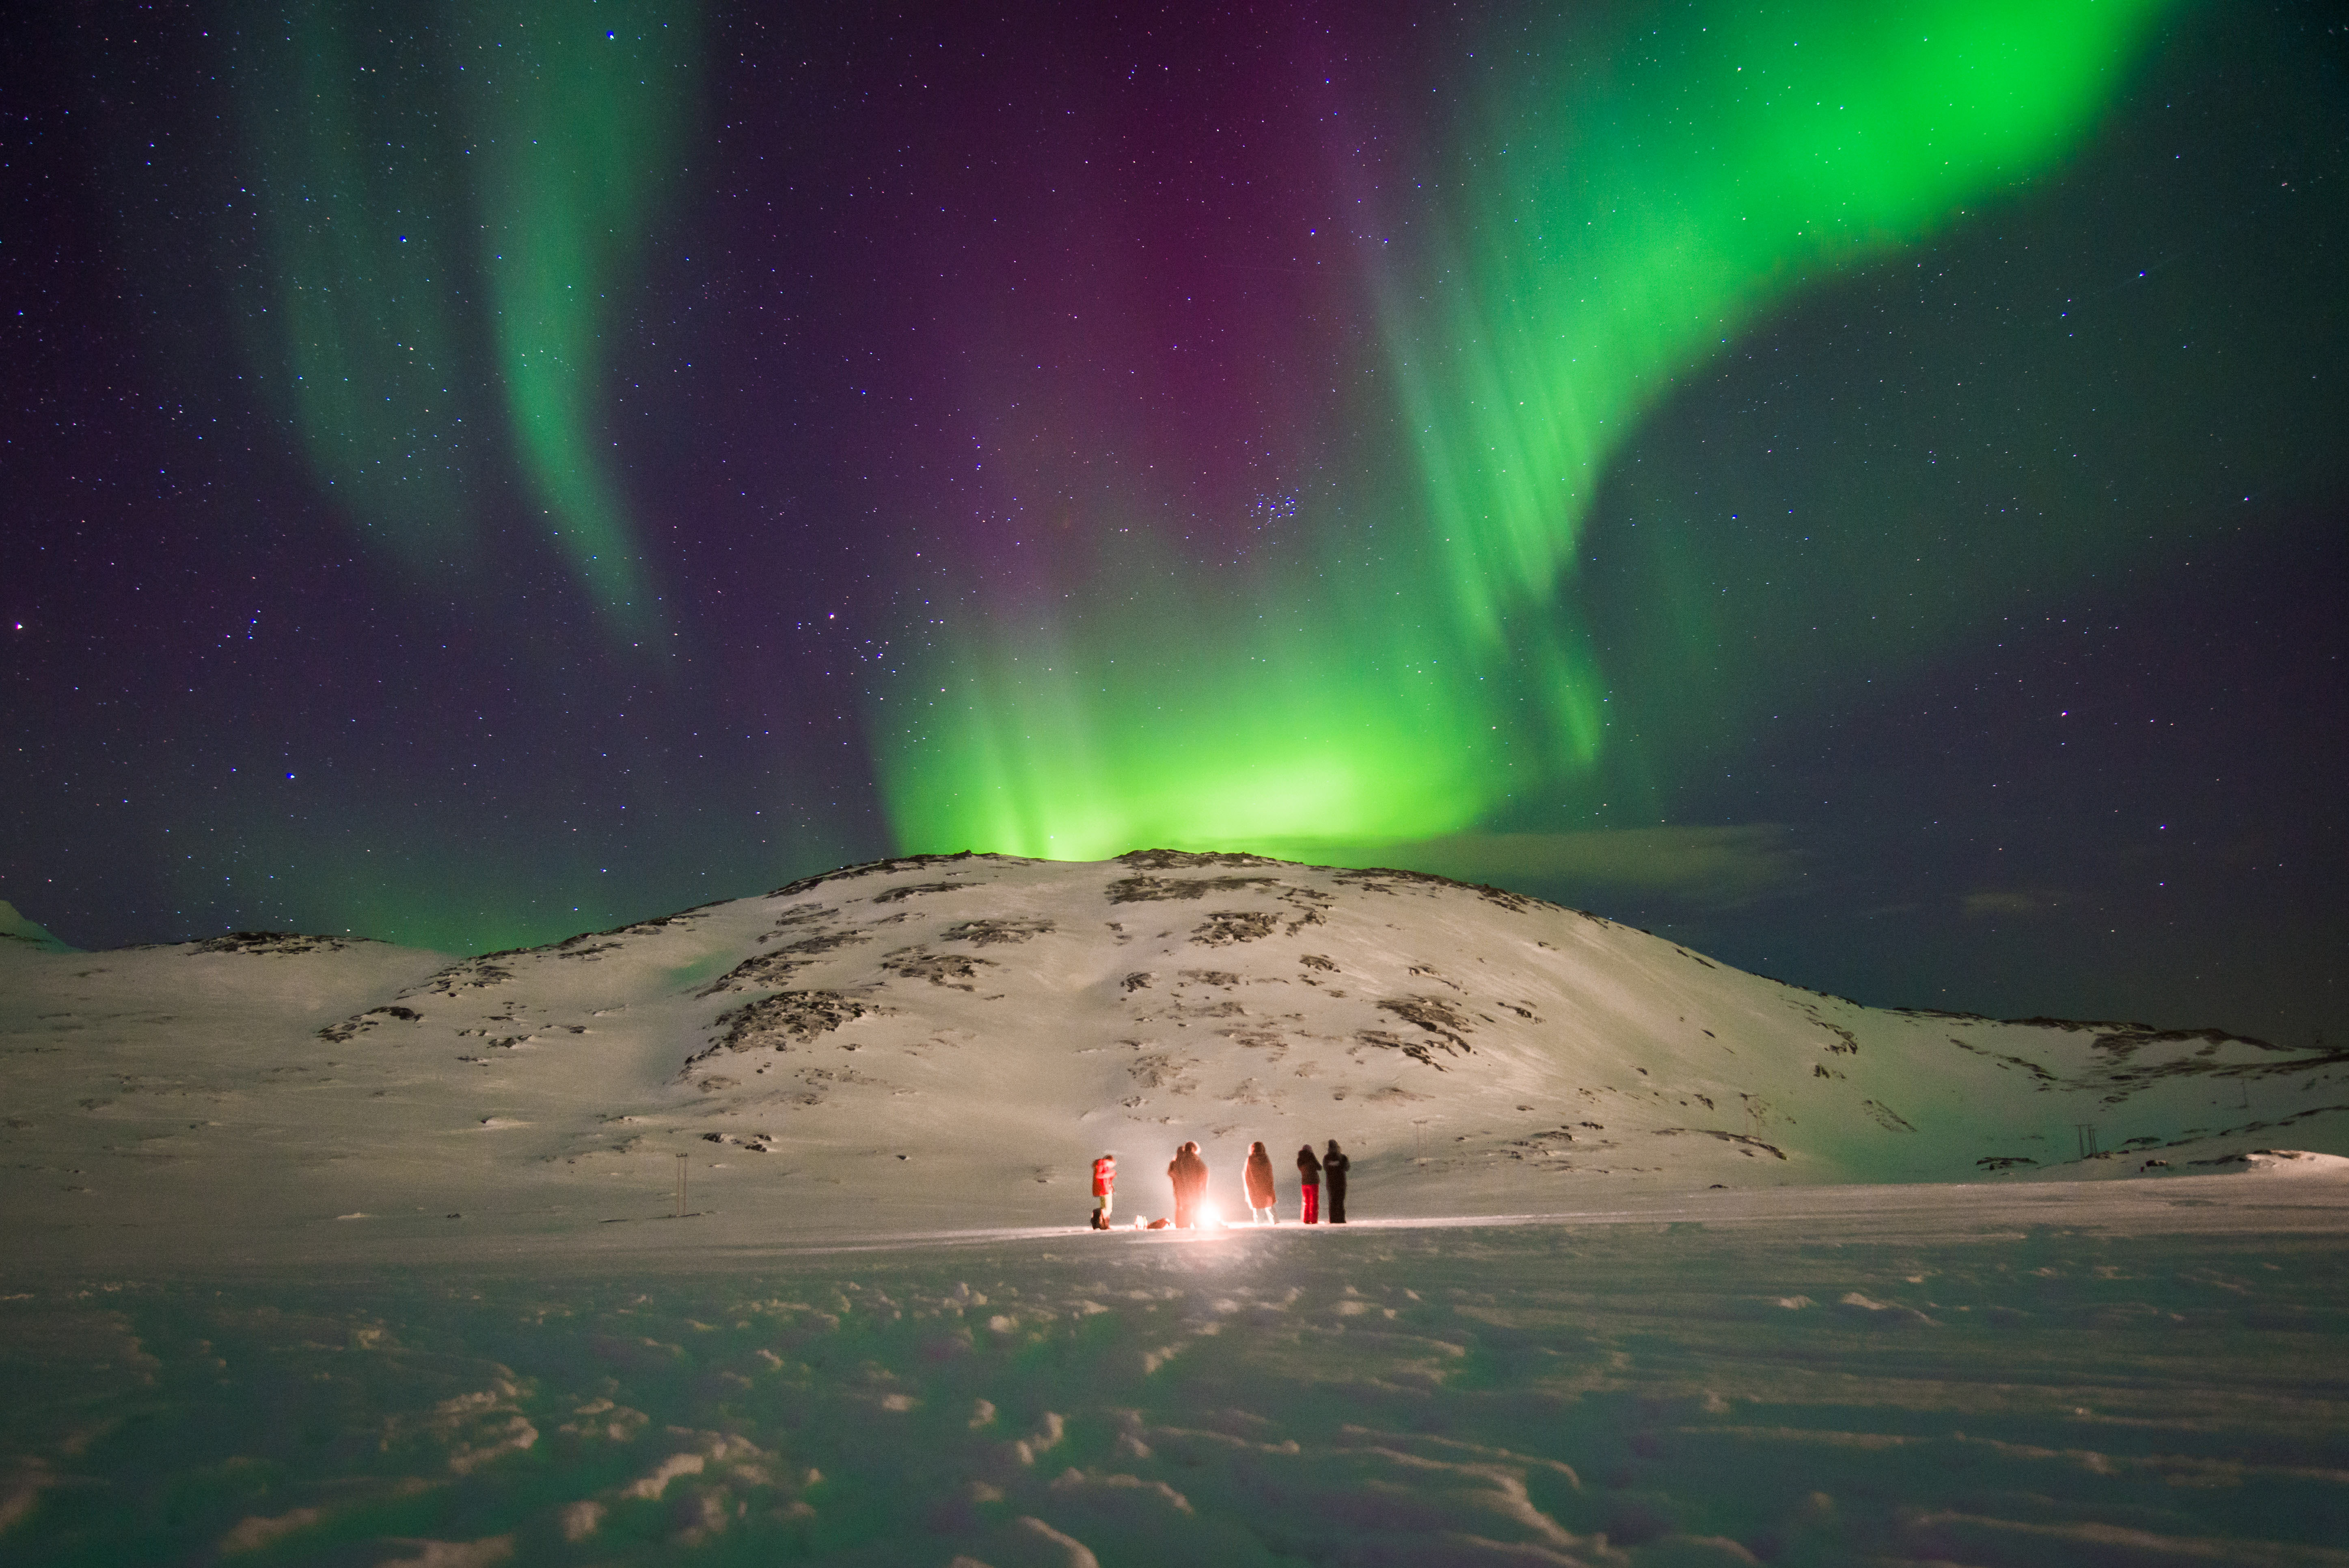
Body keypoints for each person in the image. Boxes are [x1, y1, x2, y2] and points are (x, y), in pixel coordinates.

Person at [1168, 1140, 1209, 1229]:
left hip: (1183, 1192)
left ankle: (1183, 1226)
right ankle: (1198, 1226)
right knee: (1196, 1209)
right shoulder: (1195, 1160)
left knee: (1186, 1210)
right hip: (1194, 1191)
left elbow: (1172, 1173)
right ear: (1193, 1149)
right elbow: (1204, 1171)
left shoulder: (1179, 1161)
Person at [1243, 1141, 1277, 1224]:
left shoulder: (1250, 1160)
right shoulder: (1265, 1158)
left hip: (1255, 1188)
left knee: (1257, 1207)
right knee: (1270, 1206)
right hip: (1266, 1187)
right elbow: (1269, 1173)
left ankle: (1259, 1225)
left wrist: (1250, 1186)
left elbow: (1247, 1174)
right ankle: (1275, 1223)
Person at [1324, 1139, 1351, 1224]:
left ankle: (1333, 1219)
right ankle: (1341, 1219)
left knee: (1332, 1202)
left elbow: (1325, 1168)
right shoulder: (1343, 1157)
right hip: (1341, 1183)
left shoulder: (1327, 1158)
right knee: (1341, 1202)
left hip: (1331, 1183)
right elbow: (1347, 1168)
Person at [1296, 1143, 1322, 1225]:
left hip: (1304, 1183)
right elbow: (1319, 1168)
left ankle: (1306, 1219)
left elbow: (1300, 1169)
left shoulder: (1299, 1159)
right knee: (1314, 1201)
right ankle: (1314, 1220)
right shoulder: (1311, 1157)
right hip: (1313, 1182)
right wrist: (1313, 1156)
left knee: (1306, 1201)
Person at [1090, 1151, 1117, 1229]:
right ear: (1109, 1161)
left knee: (1105, 1207)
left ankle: (1103, 1224)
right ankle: (1100, 1222)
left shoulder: (1103, 1166)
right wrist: (1111, 1174)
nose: (1112, 1166)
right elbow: (1099, 1176)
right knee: (1108, 1208)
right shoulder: (1101, 1164)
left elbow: (1106, 1179)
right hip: (1104, 1190)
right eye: (1112, 1164)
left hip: (1105, 1190)